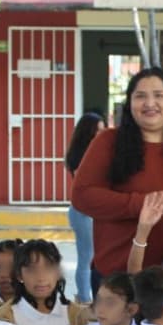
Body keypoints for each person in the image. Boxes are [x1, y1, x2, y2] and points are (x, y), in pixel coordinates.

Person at [71, 67, 163, 292]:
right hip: (121, 281)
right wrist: (139, 204)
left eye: (159, 95)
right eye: (140, 96)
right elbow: (82, 196)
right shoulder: (108, 142)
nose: (149, 103)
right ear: (129, 102)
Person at [65, 112, 105, 302]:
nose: (101, 133)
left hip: (90, 212)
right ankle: (83, 298)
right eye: (98, 130)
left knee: (92, 257)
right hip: (83, 212)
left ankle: (88, 297)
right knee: (87, 257)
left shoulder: (94, 152)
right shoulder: (82, 155)